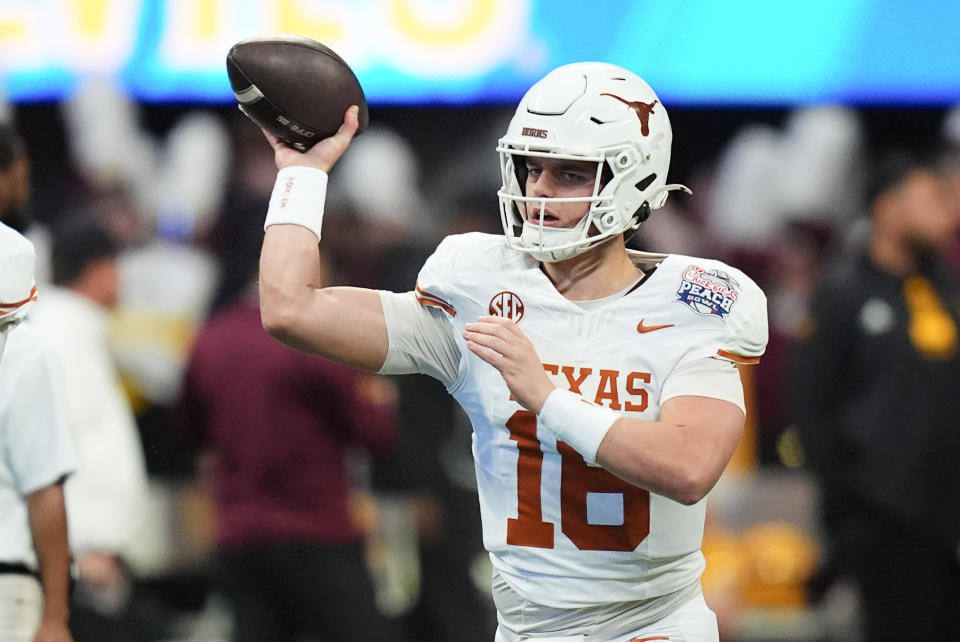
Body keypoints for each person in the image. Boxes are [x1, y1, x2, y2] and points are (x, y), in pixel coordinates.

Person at [255, 62, 768, 641]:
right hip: (525, 629)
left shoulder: (695, 304)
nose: (540, 192)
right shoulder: (478, 287)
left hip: (651, 625)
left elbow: (688, 467)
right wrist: (301, 175)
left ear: (634, 182)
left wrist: (547, 395)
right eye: (531, 169)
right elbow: (289, 309)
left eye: (570, 174)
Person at [179, 262, 402, 642]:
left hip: (240, 533)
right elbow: (375, 432)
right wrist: (382, 402)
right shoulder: (316, 338)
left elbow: (190, 430)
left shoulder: (210, 337)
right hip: (317, 528)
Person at [789, 148, 960, 641]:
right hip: (885, 524)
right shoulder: (843, 292)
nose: (945, 211)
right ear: (886, 207)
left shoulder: (945, 288)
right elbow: (812, 405)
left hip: (947, 520)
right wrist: (851, 514)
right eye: (931, 197)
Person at [28, 214, 159, 641]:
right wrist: (83, 546)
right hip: (80, 559)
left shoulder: (75, 331)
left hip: (88, 557)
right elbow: (49, 447)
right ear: (99, 268)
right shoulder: (59, 336)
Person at [0, 220, 76, 642]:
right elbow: (45, 486)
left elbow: (44, 488)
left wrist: (53, 617)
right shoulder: (29, 354)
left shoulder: (25, 353)